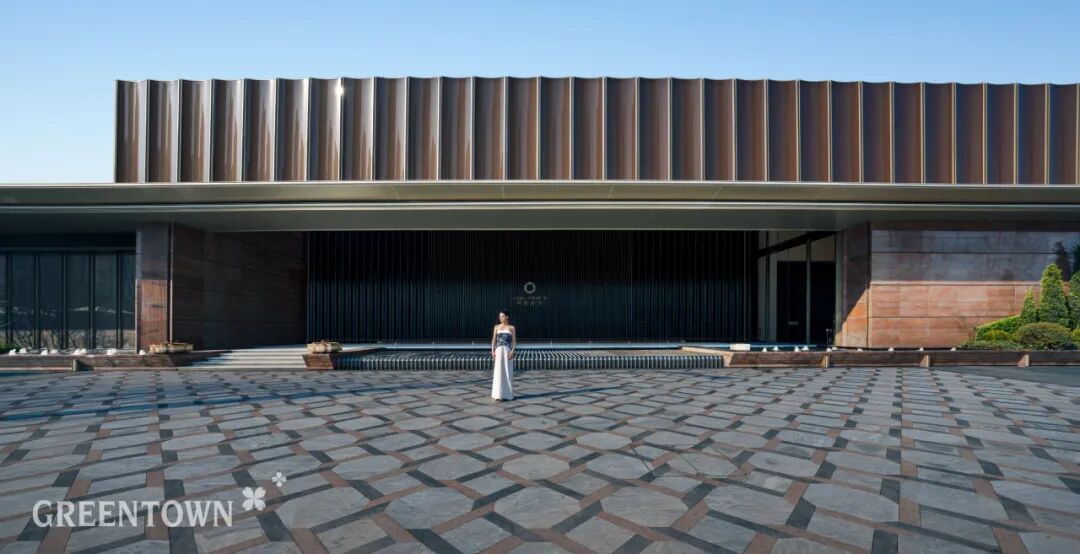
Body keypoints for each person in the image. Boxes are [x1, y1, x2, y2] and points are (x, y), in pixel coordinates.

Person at [490, 310, 515, 401]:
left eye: (502, 316)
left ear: (507, 317)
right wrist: (492, 350)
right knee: (498, 372)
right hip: (498, 351)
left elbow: (514, 341)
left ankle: (507, 395)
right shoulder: (496, 327)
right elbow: (494, 339)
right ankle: (498, 395)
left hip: (507, 351)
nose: (500, 318)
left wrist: (512, 351)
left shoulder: (511, 328)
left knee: (507, 372)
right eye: (500, 316)